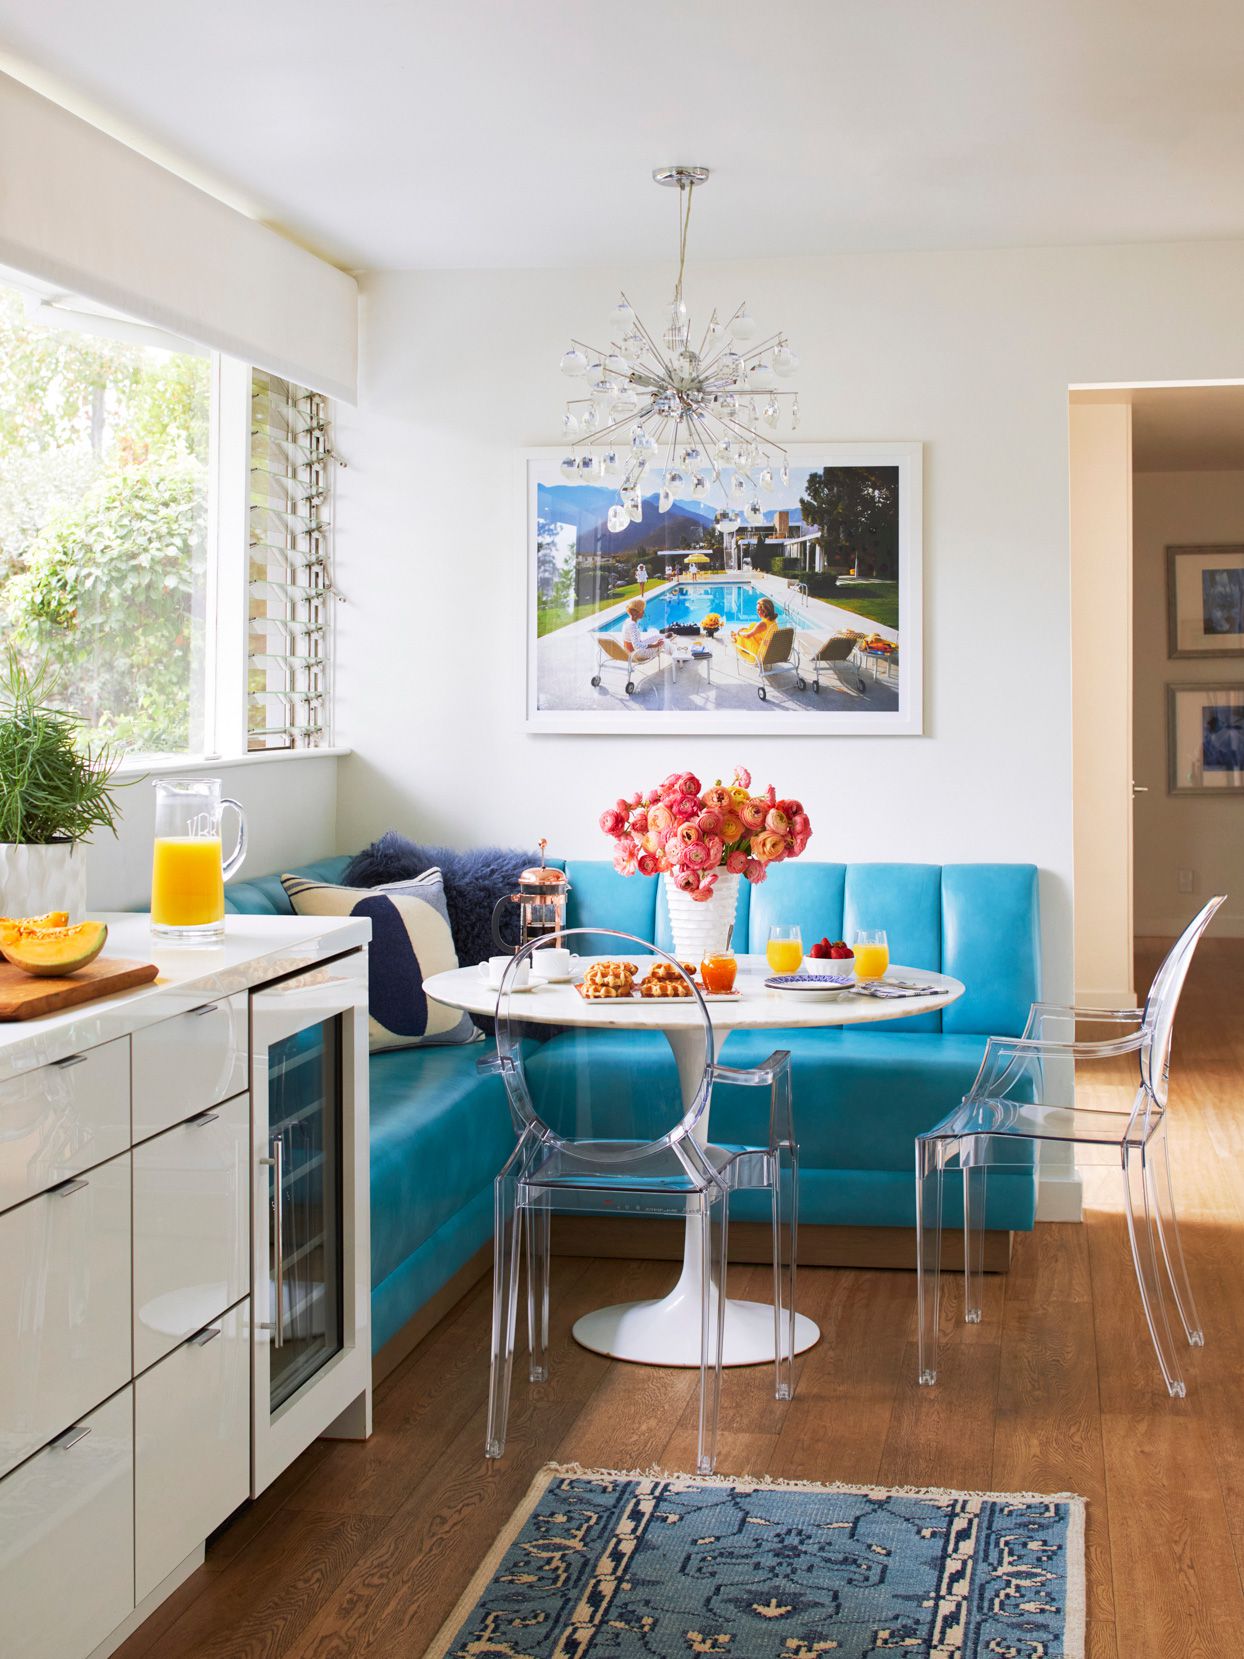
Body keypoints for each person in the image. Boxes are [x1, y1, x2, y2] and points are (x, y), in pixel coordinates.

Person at [731, 595, 778, 663]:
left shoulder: (762, 624)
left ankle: (736, 637)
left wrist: (739, 632)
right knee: (752, 626)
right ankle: (736, 636)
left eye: (759, 610)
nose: (757, 612)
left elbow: (748, 636)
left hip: (760, 654)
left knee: (743, 635)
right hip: (769, 652)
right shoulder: (773, 621)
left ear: (765, 611)